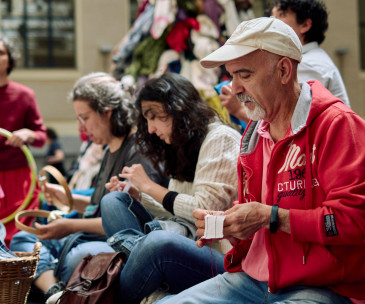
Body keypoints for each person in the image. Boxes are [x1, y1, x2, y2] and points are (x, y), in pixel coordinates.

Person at [156, 17, 365, 304]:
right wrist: (228, 223)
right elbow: (257, 210)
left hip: (323, 286)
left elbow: (355, 222)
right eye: (231, 76)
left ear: (284, 70)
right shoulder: (255, 132)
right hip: (252, 280)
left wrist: (271, 217)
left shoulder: (339, 126)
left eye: (245, 74)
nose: (235, 88)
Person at [10, 72, 166, 301]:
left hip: (115, 242)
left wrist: (70, 225)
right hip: (91, 238)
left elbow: (125, 222)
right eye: (78, 119)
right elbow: (98, 201)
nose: (82, 127)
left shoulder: (138, 150)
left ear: (107, 112)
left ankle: (50, 283)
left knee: (75, 258)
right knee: (20, 238)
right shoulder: (109, 148)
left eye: (85, 117)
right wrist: (67, 197)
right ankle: (55, 292)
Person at [100, 72, 241, 303]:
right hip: (180, 233)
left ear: (179, 108)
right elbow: (175, 209)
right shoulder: (183, 144)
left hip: (214, 252)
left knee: (157, 243)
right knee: (114, 202)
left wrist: (148, 186)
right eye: (146, 119)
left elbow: (203, 209)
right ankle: (142, 262)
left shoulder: (220, 138)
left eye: (154, 116)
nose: (151, 128)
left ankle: (113, 291)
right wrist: (140, 195)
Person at [219, 0, 350, 127]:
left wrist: (238, 110)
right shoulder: (313, 59)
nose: (272, 22)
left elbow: (287, 123)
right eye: (272, 16)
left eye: (281, 15)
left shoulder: (308, 64)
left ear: (284, 70)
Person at [0, 36, 47, 247]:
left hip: (18, 177)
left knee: (16, 238)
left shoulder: (24, 95)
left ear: (9, 60)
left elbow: (41, 137)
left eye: (1, 53)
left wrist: (28, 134)